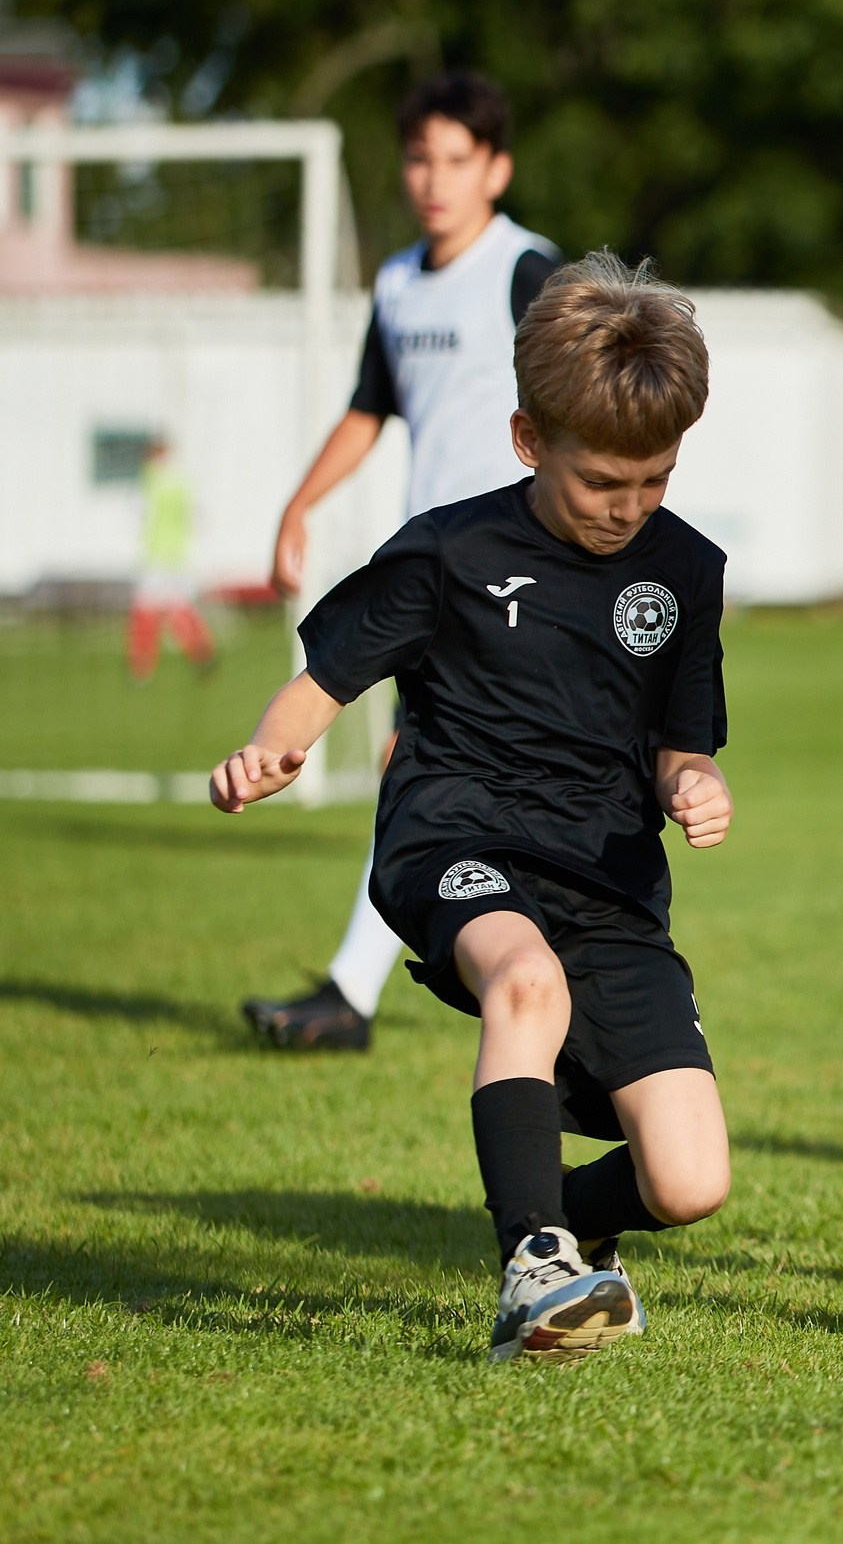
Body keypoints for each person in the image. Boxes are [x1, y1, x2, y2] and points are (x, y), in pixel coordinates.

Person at [209, 253, 732, 1364]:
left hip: (605, 875)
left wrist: (695, 782)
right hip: (456, 831)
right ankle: (532, 1263)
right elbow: (324, 680)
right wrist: (268, 749)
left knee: (689, 1180)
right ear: (529, 439)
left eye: (656, 480)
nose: (630, 508)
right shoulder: (450, 551)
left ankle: (567, 1216)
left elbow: (679, 741)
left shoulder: (686, 570)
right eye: (604, 482)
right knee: (524, 981)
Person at [242, 71, 560, 1052]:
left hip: (520, 565)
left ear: (496, 169)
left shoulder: (526, 271)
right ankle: (402, 983)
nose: (434, 178)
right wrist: (299, 502)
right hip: (429, 572)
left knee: (427, 769)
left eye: (457, 159)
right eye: (420, 158)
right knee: (438, 774)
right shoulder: (393, 283)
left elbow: (585, 398)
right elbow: (369, 408)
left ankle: (368, 988)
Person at [127, 436, 219, 681]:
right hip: (178, 556)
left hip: (156, 556)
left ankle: (141, 666)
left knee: (145, 608)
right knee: (178, 607)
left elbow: (139, 515)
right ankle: (202, 652)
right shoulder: (182, 481)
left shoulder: (149, 480)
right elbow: (198, 517)